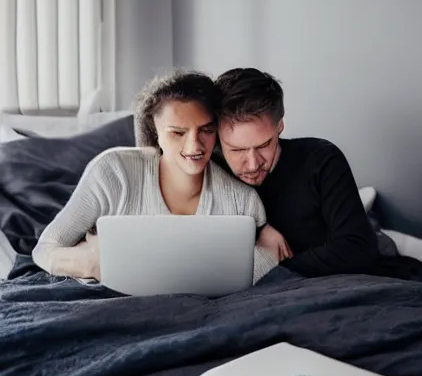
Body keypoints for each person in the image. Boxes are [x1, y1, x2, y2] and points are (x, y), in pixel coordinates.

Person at [32, 70, 279, 284]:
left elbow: (251, 269)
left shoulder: (243, 201)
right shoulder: (113, 173)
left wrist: (266, 253)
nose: (194, 145)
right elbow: (45, 249)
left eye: (206, 130)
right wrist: (90, 262)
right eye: (178, 133)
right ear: (156, 132)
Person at [212, 67, 379, 278]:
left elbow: (359, 249)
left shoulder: (321, 159)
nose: (253, 164)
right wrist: (260, 227)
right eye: (237, 150)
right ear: (216, 137)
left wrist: (275, 269)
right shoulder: (210, 168)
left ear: (280, 125)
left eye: (264, 145)